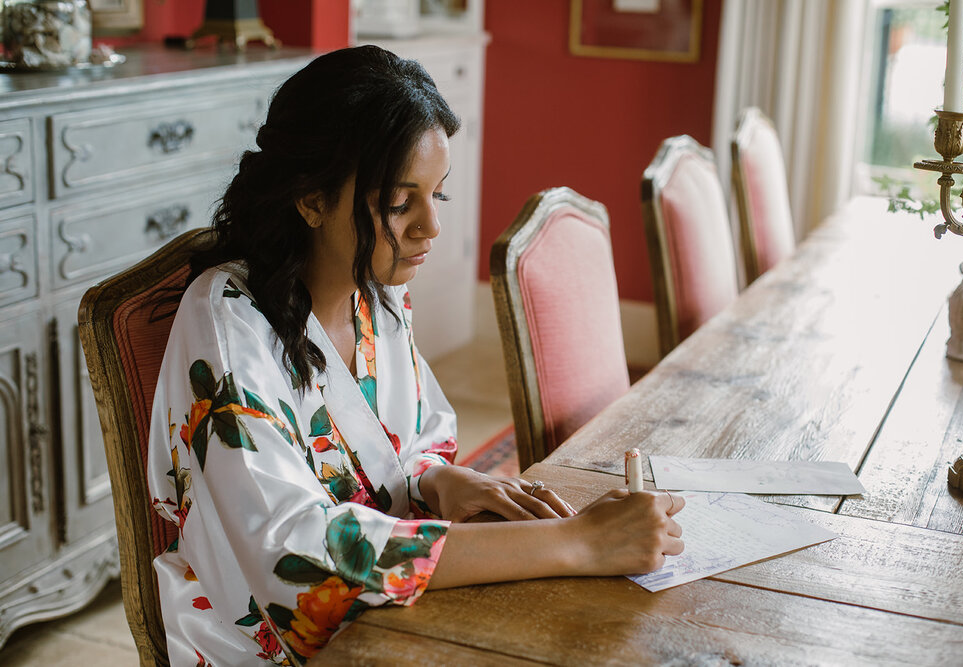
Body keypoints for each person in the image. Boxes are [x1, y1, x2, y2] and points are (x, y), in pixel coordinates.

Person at [147, 45, 685, 666]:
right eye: (400, 204)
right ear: (312, 198)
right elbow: (294, 552)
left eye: (438, 196)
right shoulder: (225, 320)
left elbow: (419, 434)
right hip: (267, 643)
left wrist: (437, 479)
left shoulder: (376, 294)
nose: (431, 226)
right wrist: (575, 543)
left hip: (392, 612)